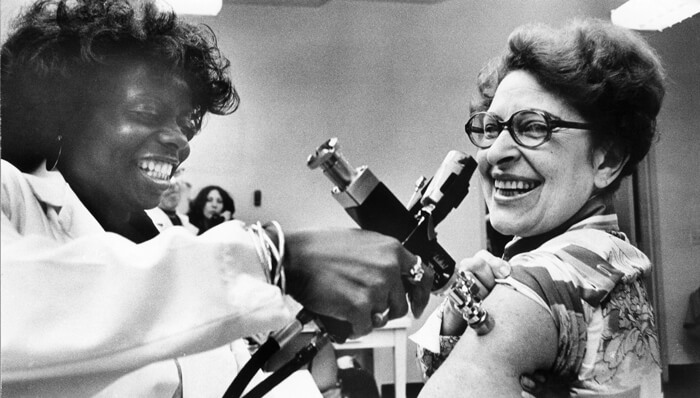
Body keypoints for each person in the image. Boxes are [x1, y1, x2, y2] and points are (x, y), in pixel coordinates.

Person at [0, 1, 433, 397]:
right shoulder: (11, 195)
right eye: (147, 113)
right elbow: (22, 312)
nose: (179, 140)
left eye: (186, 121)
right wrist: (274, 255)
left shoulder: (168, 234)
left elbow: (229, 384)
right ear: (64, 116)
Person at [412, 19, 665, 397]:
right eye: (492, 127)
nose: (493, 152)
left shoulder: (547, 275)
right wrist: (457, 317)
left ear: (607, 159)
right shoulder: (610, 258)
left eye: (533, 127)